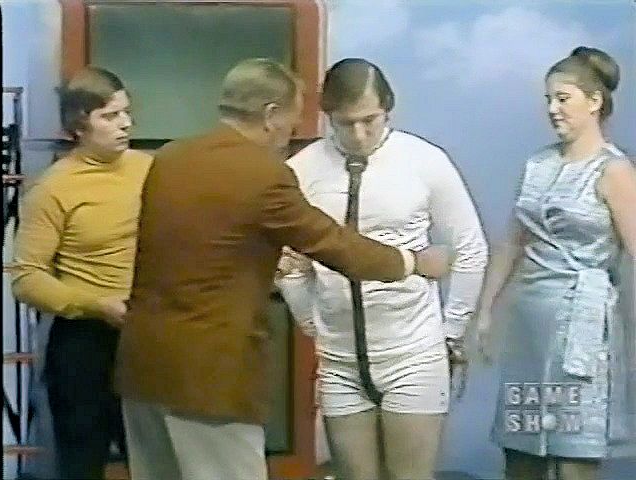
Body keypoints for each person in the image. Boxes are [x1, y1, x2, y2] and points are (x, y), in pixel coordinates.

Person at [114, 58, 450, 480]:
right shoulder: (263, 175)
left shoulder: (169, 158)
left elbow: (204, 248)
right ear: (271, 114)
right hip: (209, 377)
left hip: (143, 369)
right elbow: (334, 244)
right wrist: (414, 261)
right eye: (293, 117)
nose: (294, 129)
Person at [276, 58, 488, 480]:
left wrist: (451, 332)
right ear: (327, 114)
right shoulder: (302, 170)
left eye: (369, 121)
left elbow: (470, 249)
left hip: (413, 353)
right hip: (339, 361)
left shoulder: (424, 161)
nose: (358, 134)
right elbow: (287, 264)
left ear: (387, 109)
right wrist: (310, 322)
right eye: (345, 123)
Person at [477, 46, 636, 480]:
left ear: (594, 101)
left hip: (582, 329)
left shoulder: (614, 171)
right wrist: (486, 309)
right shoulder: (538, 164)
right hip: (529, 324)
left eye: (563, 98)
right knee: (520, 451)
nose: (552, 109)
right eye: (548, 99)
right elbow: (513, 241)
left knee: (572, 455)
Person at [10, 67, 153, 479]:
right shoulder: (54, 188)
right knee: (82, 463)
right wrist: (96, 305)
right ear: (78, 126)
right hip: (86, 342)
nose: (125, 124)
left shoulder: (150, 169)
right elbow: (27, 278)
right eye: (109, 116)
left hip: (148, 334)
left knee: (154, 460)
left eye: (126, 112)